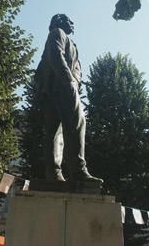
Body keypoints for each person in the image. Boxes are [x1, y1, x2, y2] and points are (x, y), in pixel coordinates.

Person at [35, 14, 102, 183]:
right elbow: (55, 55)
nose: (73, 24)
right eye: (70, 21)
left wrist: (76, 82)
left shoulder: (72, 44)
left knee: (54, 131)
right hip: (62, 86)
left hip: (58, 88)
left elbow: (78, 68)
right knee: (77, 124)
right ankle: (78, 170)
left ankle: (54, 173)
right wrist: (70, 81)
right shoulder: (58, 33)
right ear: (61, 22)